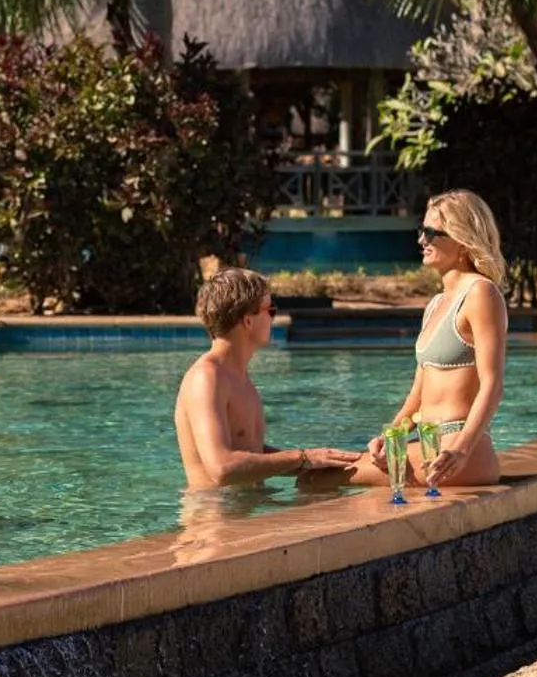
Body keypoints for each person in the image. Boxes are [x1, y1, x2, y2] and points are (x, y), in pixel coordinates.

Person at [352, 189, 510, 490]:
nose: (421, 240)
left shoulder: (481, 293)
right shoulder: (437, 304)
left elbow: (493, 384)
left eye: (430, 232)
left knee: (322, 478)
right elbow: (418, 395)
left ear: (462, 239)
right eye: (421, 231)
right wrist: (390, 438)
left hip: (459, 452)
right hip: (430, 445)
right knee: (320, 476)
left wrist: (461, 450)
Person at [175, 267, 361, 489]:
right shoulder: (206, 378)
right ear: (248, 321)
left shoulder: (238, 377)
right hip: (215, 518)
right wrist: (301, 457)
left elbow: (251, 453)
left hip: (246, 513)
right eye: (270, 310)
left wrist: (313, 462)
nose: (274, 318)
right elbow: (221, 468)